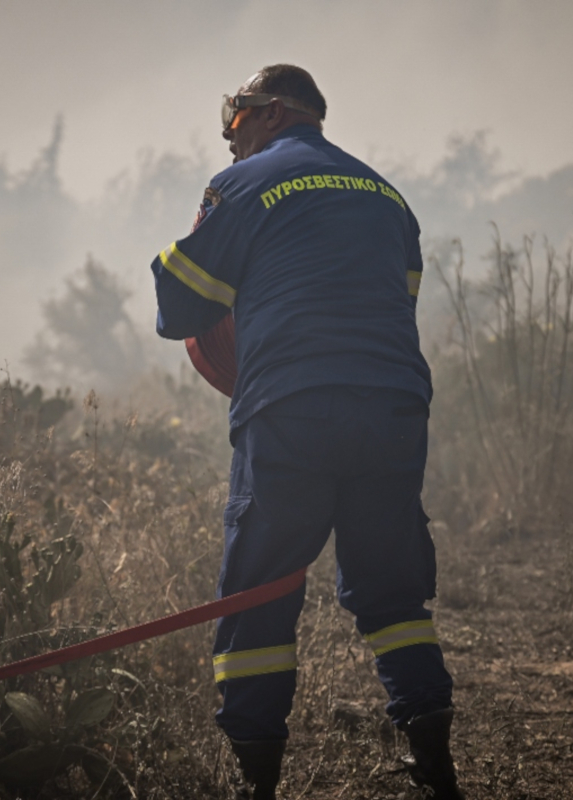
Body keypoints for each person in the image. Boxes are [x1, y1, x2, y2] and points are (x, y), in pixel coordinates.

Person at [149, 64, 462, 800]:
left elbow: (179, 308)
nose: (229, 144)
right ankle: (436, 768)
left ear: (271, 114)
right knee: (393, 596)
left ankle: (257, 783)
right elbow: (395, 304)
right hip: (393, 408)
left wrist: (196, 248)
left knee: (258, 592)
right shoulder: (388, 197)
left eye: (234, 124)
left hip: (292, 410)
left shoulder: (247, 185)